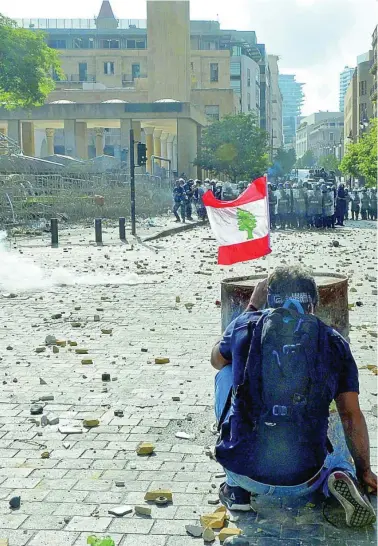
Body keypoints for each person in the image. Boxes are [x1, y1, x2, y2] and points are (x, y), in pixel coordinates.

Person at [211, 266, 377, 527]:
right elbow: (352, 416)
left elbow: (215, 359)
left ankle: (235, 490)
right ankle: (339, 474)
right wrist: (365, 470)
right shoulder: (333, 342)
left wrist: (252, 307)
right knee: (340, 408)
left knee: (226, 373)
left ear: (269, 298)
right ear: (314, 303)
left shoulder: (246, 325)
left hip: (244, 472)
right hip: (304, 478)